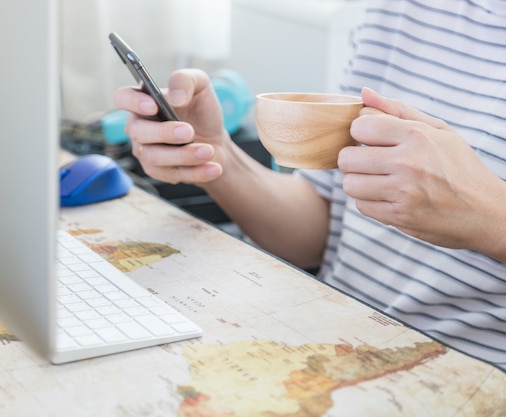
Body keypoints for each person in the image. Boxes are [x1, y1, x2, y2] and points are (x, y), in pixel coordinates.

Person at [114, 0, 506, 371]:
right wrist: (215, 154)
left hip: (469, 375)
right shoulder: (398, 9)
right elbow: (315, 234)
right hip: (331, 344)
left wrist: (489, 216)